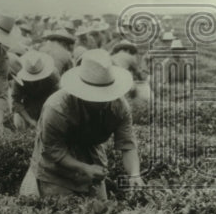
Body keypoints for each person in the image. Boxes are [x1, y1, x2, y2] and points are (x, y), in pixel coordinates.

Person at [20, 49, 143, 200]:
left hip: (91, 155)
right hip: (55, 168)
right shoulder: (57, 108)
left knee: (101, 212)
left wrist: (134, 174)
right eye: (96, 96)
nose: (103, 101)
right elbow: (53, 151)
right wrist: (83, 168)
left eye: (106, 94)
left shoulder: (119, 107)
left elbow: (127, 145)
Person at [11, 50, 60, 131]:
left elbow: (57, 99)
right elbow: (16, 101)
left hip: (48, 104)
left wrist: (47, 117)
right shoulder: (19, 77)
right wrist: (30, 120)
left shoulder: (53, 75)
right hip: (29, 106)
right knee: (19, 122)